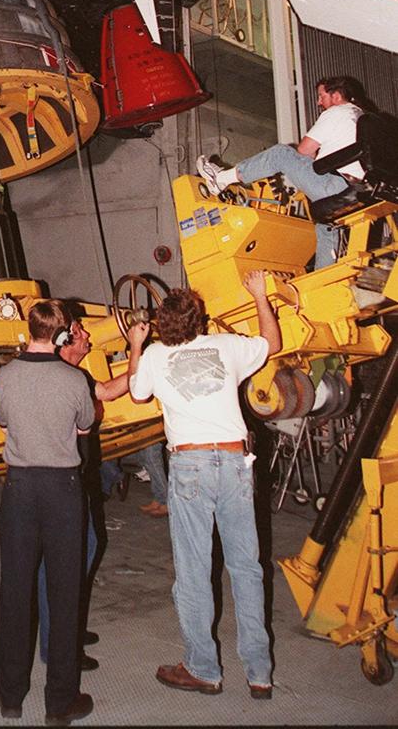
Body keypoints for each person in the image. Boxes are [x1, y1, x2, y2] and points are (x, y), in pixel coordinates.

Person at [128, 270, 281, 699]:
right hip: (234, 461)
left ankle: (202, 669)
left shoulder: (156, 354)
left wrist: (136, 344)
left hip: (191, 464)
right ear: (201, 319)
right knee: (247, 568)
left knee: (194, 572)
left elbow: (138, 394)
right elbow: (273, 342)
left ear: (161, 324)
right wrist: (259, 296)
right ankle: (259, 673)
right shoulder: (227, 346)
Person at [0, 300, 95, 726]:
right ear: (60, 337)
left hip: (18, 490)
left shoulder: (4, 376)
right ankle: (59, 703)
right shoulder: (73, 380)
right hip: (61, 492)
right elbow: (86, 426)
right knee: (64, 592)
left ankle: (10, 696)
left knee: (15, 589)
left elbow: (2, 422)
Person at [198, 75, 369, 268]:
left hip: (335, 186)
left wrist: (302, 161)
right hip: (358, 190)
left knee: (281, 154)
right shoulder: (363, 118)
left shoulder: (337, 112)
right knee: (326, 226)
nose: (318, 102)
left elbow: (304, 149)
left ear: (337, 96)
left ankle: (220, 179)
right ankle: (323, 282)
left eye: (322, 96)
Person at [36, 314, 129, 673]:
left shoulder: (76, 376)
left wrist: (138, 351)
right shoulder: (63, 380)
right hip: (61, 485)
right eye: (80, 331)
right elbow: (91, 412)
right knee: (63, 563)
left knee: (84, 551)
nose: (89, 334)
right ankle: (58, 646)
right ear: (65, 340)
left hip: (74, 483)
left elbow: (106, 390)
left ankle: (67, 629)